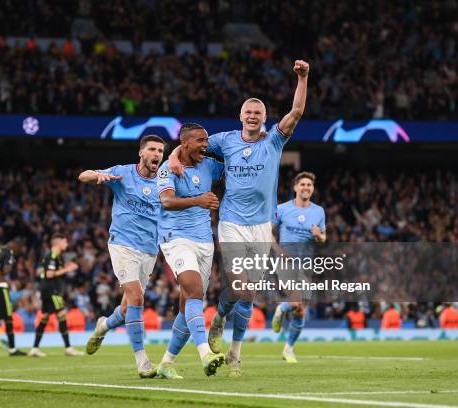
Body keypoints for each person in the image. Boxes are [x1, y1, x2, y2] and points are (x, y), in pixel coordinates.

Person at [167, 60, 310, 377]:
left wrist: (303, 78)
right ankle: (225, 338)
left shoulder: (274, 140)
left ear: (264, 118)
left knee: (247, 295)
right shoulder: (224, 140)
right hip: (231, 222)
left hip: (261, 225)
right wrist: (173, 157)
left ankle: (232, 349)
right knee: (240, 285)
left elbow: (297, 113)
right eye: (248, 112)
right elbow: (190, 144)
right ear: (240, 116)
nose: (252, 116)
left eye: (257, 113)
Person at [80, 135, 165, 378]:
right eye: (152, 149)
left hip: (150, 249)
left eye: (160, 150)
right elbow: (83, 175)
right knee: (136, 298)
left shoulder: (164, 182)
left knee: (128, 308)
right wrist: (96, 176)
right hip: (123, 245)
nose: (157, 154)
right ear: (141, 152)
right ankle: (142, 362)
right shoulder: (122, 173)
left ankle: (103, 326)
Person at [155, 123, 225, 379]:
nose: (205, 146)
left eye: (207, 141)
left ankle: (166, 362)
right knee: (194, 290)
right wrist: (199, 200)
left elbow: (236, 169)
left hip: (205, 242)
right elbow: (167, 201)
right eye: (200, 141)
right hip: (176, 239)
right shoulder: (168, 169)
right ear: (184, 143)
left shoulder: (208, 165)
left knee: (189, 306)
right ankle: (205, 353)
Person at [271, 171, 326, 363]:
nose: (306, 188)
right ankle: (283, 308)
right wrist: (278, 250)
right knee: (295, 303)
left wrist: (319, 236)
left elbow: (323, 239)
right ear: (295, 187)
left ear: (312, 189)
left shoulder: (318, 211)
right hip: (286, 261)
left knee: (301, 309)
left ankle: (288, 350)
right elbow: (268, 232)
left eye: (309, 185)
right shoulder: (282, 209)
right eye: (302, 184)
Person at [29, 233, 84, 357]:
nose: (66, 244)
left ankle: (34, 348)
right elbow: (49, 274)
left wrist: (65, 267)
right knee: (62, 314)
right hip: (52, 290)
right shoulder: (52, 255)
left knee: (44, 317)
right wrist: (67, 269)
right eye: (64, 242)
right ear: (58, 243)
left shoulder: (56, 256)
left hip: (48, 289)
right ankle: (68, 348)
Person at [0, 246, 26, 356]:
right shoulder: (6, 253)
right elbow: (3, 270)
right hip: (0, 287)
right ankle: (12, 348)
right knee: (8, 318)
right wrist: (6, 280)